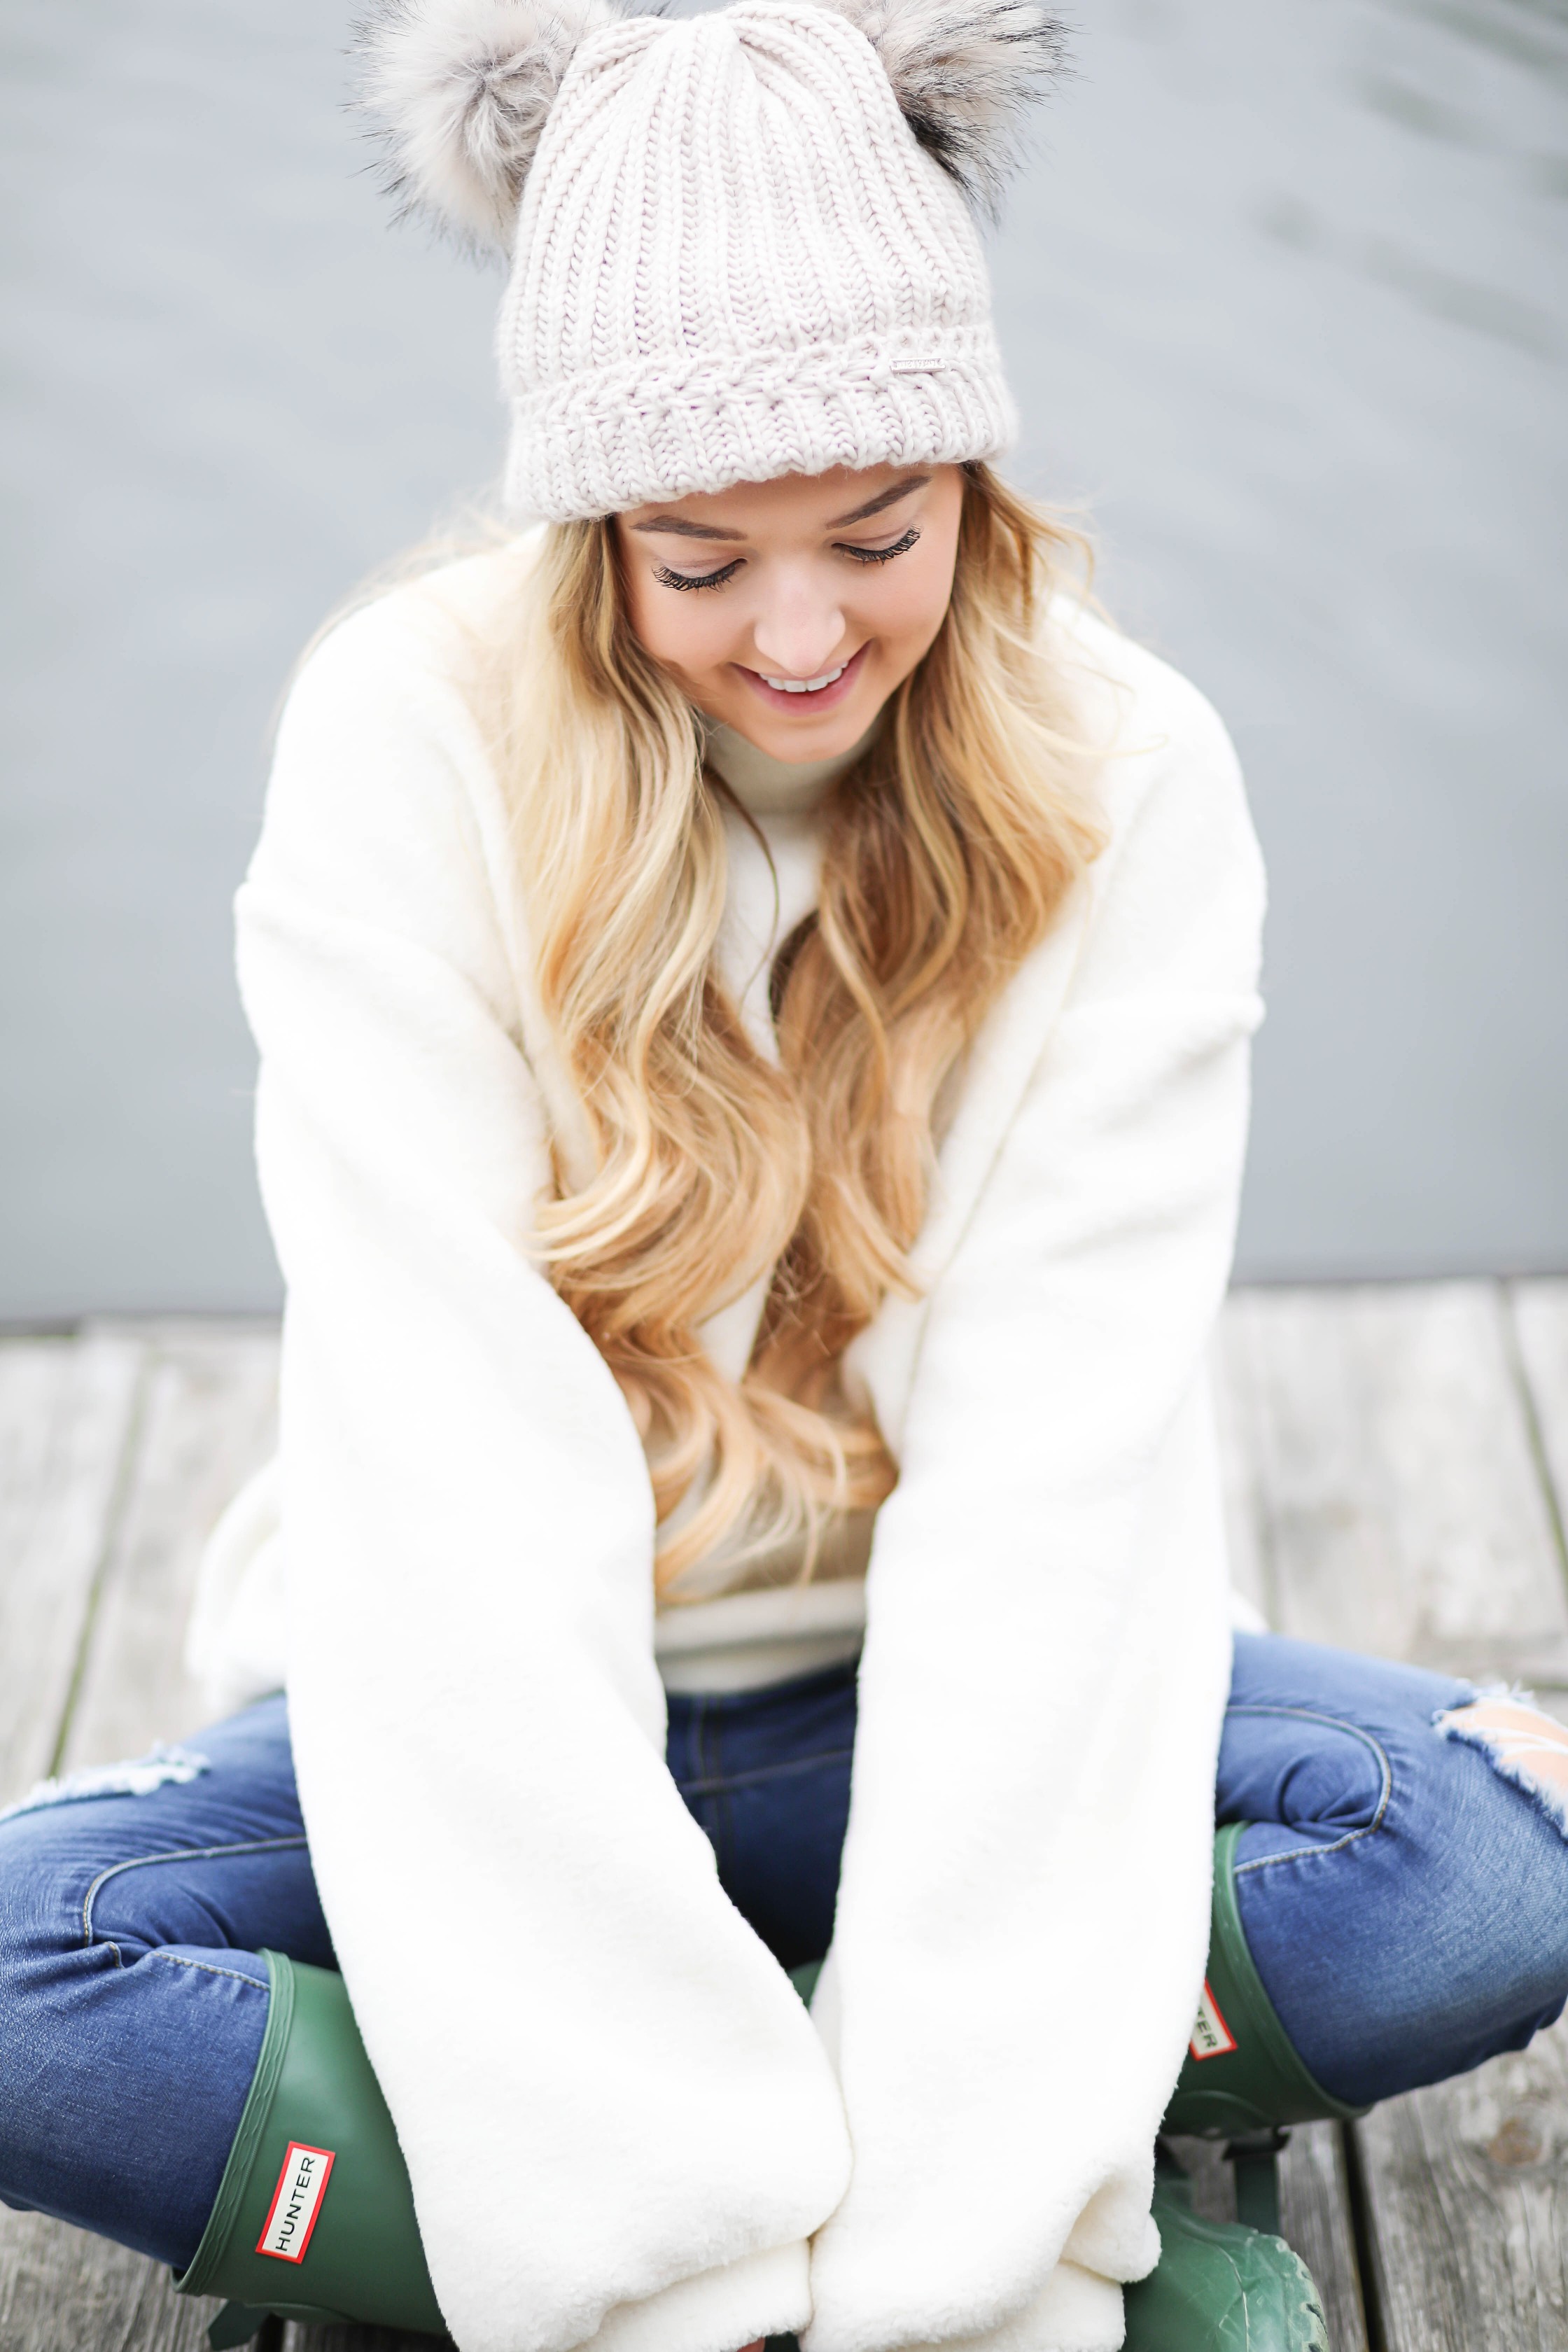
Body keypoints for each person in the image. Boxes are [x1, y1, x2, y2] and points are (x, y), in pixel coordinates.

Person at [4, 4, 1567, 2349]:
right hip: (481, 1704)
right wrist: (664, 2251)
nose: (805, 632)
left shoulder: (1138, 776)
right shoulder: (403, 746)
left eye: (879, 527)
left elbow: (1052, 1525)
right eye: (702, 557)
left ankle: (844, 2116)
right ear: (582, 525)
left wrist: (969, 2259)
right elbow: (456, 1519)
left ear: (973, 475)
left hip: (927, 1707)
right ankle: (702, 2159)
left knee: (1485, 1866)